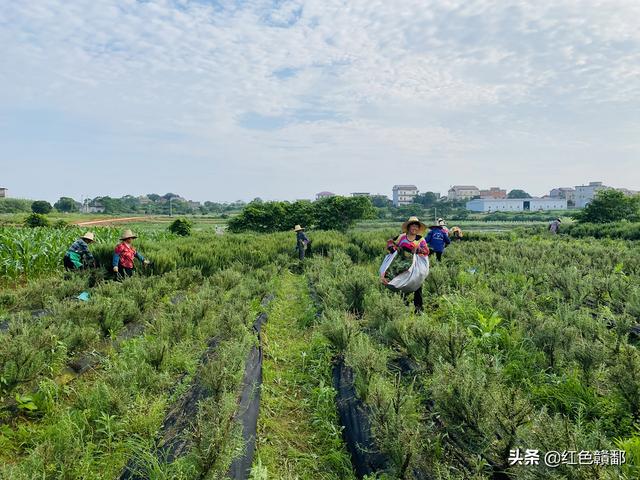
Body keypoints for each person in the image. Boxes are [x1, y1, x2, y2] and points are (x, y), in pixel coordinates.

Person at [381, 216, 430, 312]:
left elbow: (426, 251)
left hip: (416, 267)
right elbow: (390, 242)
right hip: (401, 265)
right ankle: (403, 307)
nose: (414, 228)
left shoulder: (420, 239)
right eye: (413, 226)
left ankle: (418, 309)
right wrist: (392, 248)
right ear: (408, 227)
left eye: (416, 226)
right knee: (401, 285)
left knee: (417, 287)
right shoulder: (402, 237)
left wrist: (418, 250)